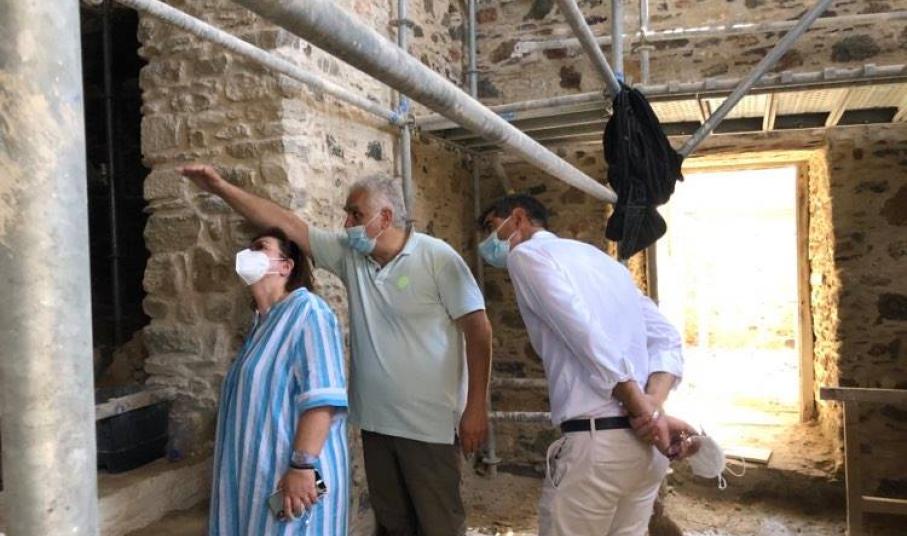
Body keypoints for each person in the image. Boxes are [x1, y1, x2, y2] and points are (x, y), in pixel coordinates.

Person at [182, 165, 492, 536]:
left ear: (385, 217)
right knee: (393, 524)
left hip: (428, 426)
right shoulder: (351, 257)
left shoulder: (437, 258)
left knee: (438, 523)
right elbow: (288, 224)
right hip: (376, 423)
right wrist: (220, 187)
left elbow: (479, 331)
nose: (346, 224)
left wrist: (476, 406)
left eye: (355, 214)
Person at [477, 194, 694, 536]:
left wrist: (644, 410)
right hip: (644, 452)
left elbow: (583, 334)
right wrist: (654, 405)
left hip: (598, 446)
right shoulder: (606, 264)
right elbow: (666, 337)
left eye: (493, 228)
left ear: (518, 218)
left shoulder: (527, 255)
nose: (491, 242)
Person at [209, 228, 349, 535]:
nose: (248, 253)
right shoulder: (261, 326)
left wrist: (302, 466)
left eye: (260, 247)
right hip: (261, 480)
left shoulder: (308, 311)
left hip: (297, 480)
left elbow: (322, 398)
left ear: (286, 266)